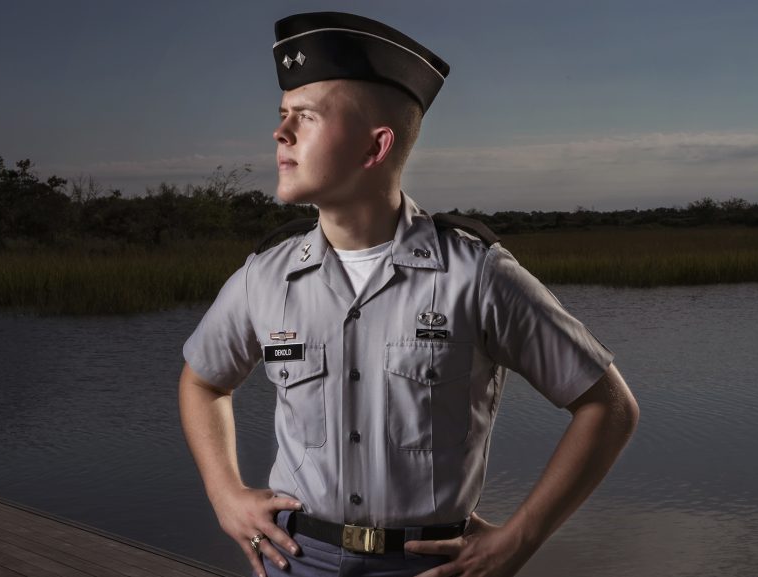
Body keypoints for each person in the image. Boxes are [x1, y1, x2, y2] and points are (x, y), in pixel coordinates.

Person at [179, 11, 639, 577]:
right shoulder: (264, 278)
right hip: (296, 561)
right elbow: (203, 380)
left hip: (423, 567)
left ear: (376, 147)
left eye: (307, 116)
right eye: (282, 116)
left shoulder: (476, 276)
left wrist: (517, 541)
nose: (281, 132)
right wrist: (227, 496)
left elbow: (608, 407)